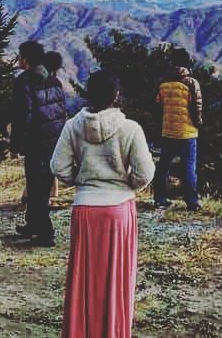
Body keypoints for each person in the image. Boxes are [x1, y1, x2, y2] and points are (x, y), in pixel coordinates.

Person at [51, 70, 155, 338]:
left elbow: (58, 166)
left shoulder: (73, 126)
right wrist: (128, 183)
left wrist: (80, 179)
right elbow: (145, 173)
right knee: (115, 279)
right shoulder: (131, 129)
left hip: (85, 208)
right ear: (116, 95)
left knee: (83, 278)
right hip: (118, 209)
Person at [10, 41, 66, 247]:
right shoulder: (54, 81)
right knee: (41, 186)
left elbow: (22, 116)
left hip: (36, 142)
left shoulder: (24, 81)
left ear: (25, 59)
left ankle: (45, 232)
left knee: (36, 189)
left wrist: (16, 145)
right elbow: (61, 112)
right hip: (54, 141)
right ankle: (32, 224)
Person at [153, 47, 203, 210]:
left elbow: (159, 106)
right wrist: (198, 123)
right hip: (187, 133)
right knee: (189, 167)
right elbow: (197, 106)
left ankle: (160, 199)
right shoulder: (191, 83)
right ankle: (192, 202)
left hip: (168, 131)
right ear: (187, 63)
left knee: (163, 166)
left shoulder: (163, 84)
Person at [21, 50, 65, 204]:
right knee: (49, 165)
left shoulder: (34, 82)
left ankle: (33, 196)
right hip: (55, 133)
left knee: (35, 170)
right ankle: (50, 194)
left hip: (40, 135)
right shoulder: (56, 83)